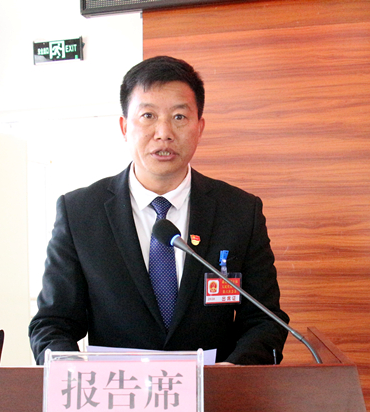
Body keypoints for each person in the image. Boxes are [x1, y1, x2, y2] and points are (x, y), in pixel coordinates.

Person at [28, 56, 288, 365]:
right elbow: (52, 324)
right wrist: (70, 373)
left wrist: (233, 372)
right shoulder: (80, 213)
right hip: (115, 392)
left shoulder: (240, 212)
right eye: (148, 115)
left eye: (179, 116)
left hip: (214, 392)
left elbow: (265, 320)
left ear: (200, 127)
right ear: (124, 127)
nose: (164, 132)